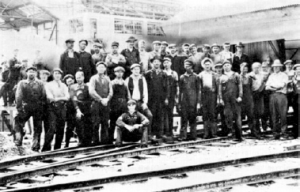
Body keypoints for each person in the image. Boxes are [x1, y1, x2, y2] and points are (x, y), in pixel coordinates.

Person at [13, 66, 46, 152]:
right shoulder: (22, 83)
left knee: (38, 127)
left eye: (33, 72)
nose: (31, 73)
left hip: (37, 107)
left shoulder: (40, 83)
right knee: (18, 120)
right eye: (29, 71)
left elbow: (43, 96)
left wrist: (41, 107)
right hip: (25, 107)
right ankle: (18, 141)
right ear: (26, 73)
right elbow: (18, 96)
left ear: (36, 73)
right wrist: (19, 108)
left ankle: (35, 146)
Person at [42, 68, 69, 151]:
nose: (57, 75)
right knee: (51, 128)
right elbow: (50, 97)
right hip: (52, 107)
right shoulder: (49, 85)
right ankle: (46, 148)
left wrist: (58, 98)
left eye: (59, 74)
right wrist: (60, 98)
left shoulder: (64, 85)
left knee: (61, 128)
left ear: (61, 75)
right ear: (53, 75)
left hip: (62, 107)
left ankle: (57, 148)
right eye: (56, 73)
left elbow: (67, 97)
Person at [125, 64, 153, 141]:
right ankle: (133, 136)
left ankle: (148, 135)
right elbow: (127, 92)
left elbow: (145, 92)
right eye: (134, 69)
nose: (136, 71)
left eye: (138, 69)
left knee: (149, 115)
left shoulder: (142, 79)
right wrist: (130, 104)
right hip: (132, 102)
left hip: (140, 102)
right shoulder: (128, 79)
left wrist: (145, 103)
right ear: (131, 70)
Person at [145, 56, 168, 140]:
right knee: (151, 116)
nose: (156, 63)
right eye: (155, 62)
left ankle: (160, 134)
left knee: (160, 116)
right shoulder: (148, 74)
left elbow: (166, 87)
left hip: (161, 99)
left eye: (158, 62)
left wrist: (166, 98)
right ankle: (150, 134)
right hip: (151, 99)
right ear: (152, 63)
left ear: (160, 63)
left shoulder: (163, 74)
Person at [89, 61, 113, 145]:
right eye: (99, 67)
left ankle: (104, 141)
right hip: (96, 103)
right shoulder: (93, 78)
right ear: (96, 68)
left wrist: (107, 99)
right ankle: (95, 141)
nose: (101, 69)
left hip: (106, 103)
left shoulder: (107, 78)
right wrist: (100, 99)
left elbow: (111, 91)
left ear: (105, 69)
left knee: (105, 122)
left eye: (103, 67)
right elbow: (91, 91)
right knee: (95, 122)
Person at [219, 60, 243, 141]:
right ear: (223, 67)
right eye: (225, 66)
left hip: (235, 98)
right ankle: (231, 131)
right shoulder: (222, 77)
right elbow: (219, 89)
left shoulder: (236, 75)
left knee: (237, 116)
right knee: (228, 115)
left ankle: (239, 134)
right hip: (226, 99)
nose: (226, 67)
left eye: (228, 65)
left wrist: (240, 96)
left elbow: (240, 86)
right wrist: (221, 99)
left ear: (231, 66)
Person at [265, 60, 288, 139]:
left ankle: (284, 133)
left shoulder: (284, 75)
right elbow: (267, 86)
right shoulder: (271, 76)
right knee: (274, 115)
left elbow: (281, 85)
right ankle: (276, 133)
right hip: (273, 96)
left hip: (281, 96)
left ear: (280, 67)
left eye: (277, 67)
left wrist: (273, 86)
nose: (275, 68)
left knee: (283, 115)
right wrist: (274, 87)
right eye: (274, 67)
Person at [70, 70, 93, 146]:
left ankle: (88, 141)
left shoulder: (87, 86)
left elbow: (90, 98)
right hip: (78, 108)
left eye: (79, 77)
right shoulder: (72, 87)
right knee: (79, 125)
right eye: (77, 78)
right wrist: (77, 109)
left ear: (83, 77)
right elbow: (73, 98)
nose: (78, 79)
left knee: (88, 124)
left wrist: (84, 103)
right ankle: (80, 141)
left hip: (87, 108)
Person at [178, 59, 199, 141]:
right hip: (184, 101)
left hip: (193, 101)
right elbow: (179, 91)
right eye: (186, 65)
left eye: (189, 65)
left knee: (192, 118)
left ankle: (193, 136)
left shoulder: (196, 77)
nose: (187, 67)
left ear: (192, 66)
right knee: (184, 118)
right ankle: (183, 136)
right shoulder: (182, 77)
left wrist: (198, 103)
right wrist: (179, 102)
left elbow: (199, 90)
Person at [198, 58, 219, 139]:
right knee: (205, 114)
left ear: (211, 65)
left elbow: (217, 87)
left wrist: (218, 98)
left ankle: (213, 133)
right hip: (204, 96)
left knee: (213, 114)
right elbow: (199, 88)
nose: (207, 66)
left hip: (212, 95)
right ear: (203, 66)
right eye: (205, 65)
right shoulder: (200, 75)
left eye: (208, 64)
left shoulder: (214, 75)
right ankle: (206, 133)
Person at [109, 66, 130, 144]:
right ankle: (110, 139)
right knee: (113, 122)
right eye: (118, 72)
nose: (119, 73)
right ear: (115, 73)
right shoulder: (112, 83)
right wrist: (110, 105)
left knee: (122, 122)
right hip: (115, 104)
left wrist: (129, 104)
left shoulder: (125, 83)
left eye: (121, 72)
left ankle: (121, 139)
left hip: (123, 104)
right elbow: (110, 94)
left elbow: (128, 95)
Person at [163, 57, 179, 142]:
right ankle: (165, 131)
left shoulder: (174, 73)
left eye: (167, 62)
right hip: (164, 96)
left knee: (170, 113)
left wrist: (176, 97)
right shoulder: (162, 73)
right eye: (164, 63)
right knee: (164, 114)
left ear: (171, 63)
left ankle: (170, 131)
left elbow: (176, 86)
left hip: (172, 96)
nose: (166, 64)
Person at [249, 62, 267, 136]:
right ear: (252, 68)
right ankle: (256, 130)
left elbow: (264, 83)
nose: (256, 69)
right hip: (253, 94)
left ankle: (264, 127)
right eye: (254, 68)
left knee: (262, 111)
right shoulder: (250, 75)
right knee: (254, 112)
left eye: (258, 67)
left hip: (261, 94)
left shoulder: (263, 74)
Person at [240, 63, 257, 139]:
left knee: (251, 115)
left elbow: (253, 87)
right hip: (241, 98)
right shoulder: (238, 76)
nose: (245, 70)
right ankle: (239, 133)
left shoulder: (250, 77)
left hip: (249, 98)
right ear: (241, 69)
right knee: (239, 116)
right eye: (243, 68)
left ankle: (253, 132)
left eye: (246, 68)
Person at [214, 62, 228, 136]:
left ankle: (225, 131)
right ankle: (215, 131)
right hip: (214, 97)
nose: (219, 69)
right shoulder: (213, 76)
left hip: (223, 97)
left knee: (223, 115)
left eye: (220, 68)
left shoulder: (225, 77)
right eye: (217, 68)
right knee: (214, 115)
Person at [63, 74, 76, 148]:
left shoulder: (76, 88)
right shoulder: (64, 89)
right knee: (69, 127)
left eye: (71, 80)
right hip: (68, 110)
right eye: (68, 81)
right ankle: (66, 143)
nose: (70, 82)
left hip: (76, 109)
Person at [261, 61, 272, 131]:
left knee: (271, 110)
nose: (264, 68)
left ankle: (271, 125)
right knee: (263, 111)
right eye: (263, 67)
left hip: (270, 94)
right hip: (262, 94)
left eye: (265, 67)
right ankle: (264, 125)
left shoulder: (271, 74)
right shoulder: (260, 74)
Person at [39, 70, 51, 135]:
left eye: (45, 75)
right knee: (38, 126)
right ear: (40, 76)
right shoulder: (37, 84)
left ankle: (47, 143)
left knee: (47, 125)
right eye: (42, 75)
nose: (44, 76)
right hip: (39, 107)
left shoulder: (50, 85)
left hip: (48, 107)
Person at [292, 64, 300, 139]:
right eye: (297, 69)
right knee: (296, 116)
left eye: (299, 69)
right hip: (296, 98)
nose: (298, 71)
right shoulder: (293, 78)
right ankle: (296, 133)